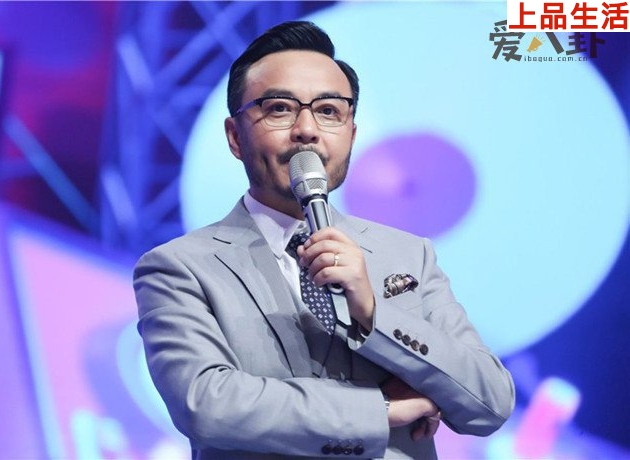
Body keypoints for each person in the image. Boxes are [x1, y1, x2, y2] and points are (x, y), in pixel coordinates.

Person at [134, 20, 515, 459]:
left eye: (329, 111)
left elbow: (490, 402)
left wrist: (373, 312)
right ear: (235, 137)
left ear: (351, 134)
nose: (307, 129)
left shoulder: (409, 255)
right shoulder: (180, 267)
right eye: (279, 108)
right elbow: (207, 403)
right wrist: (381, 410)